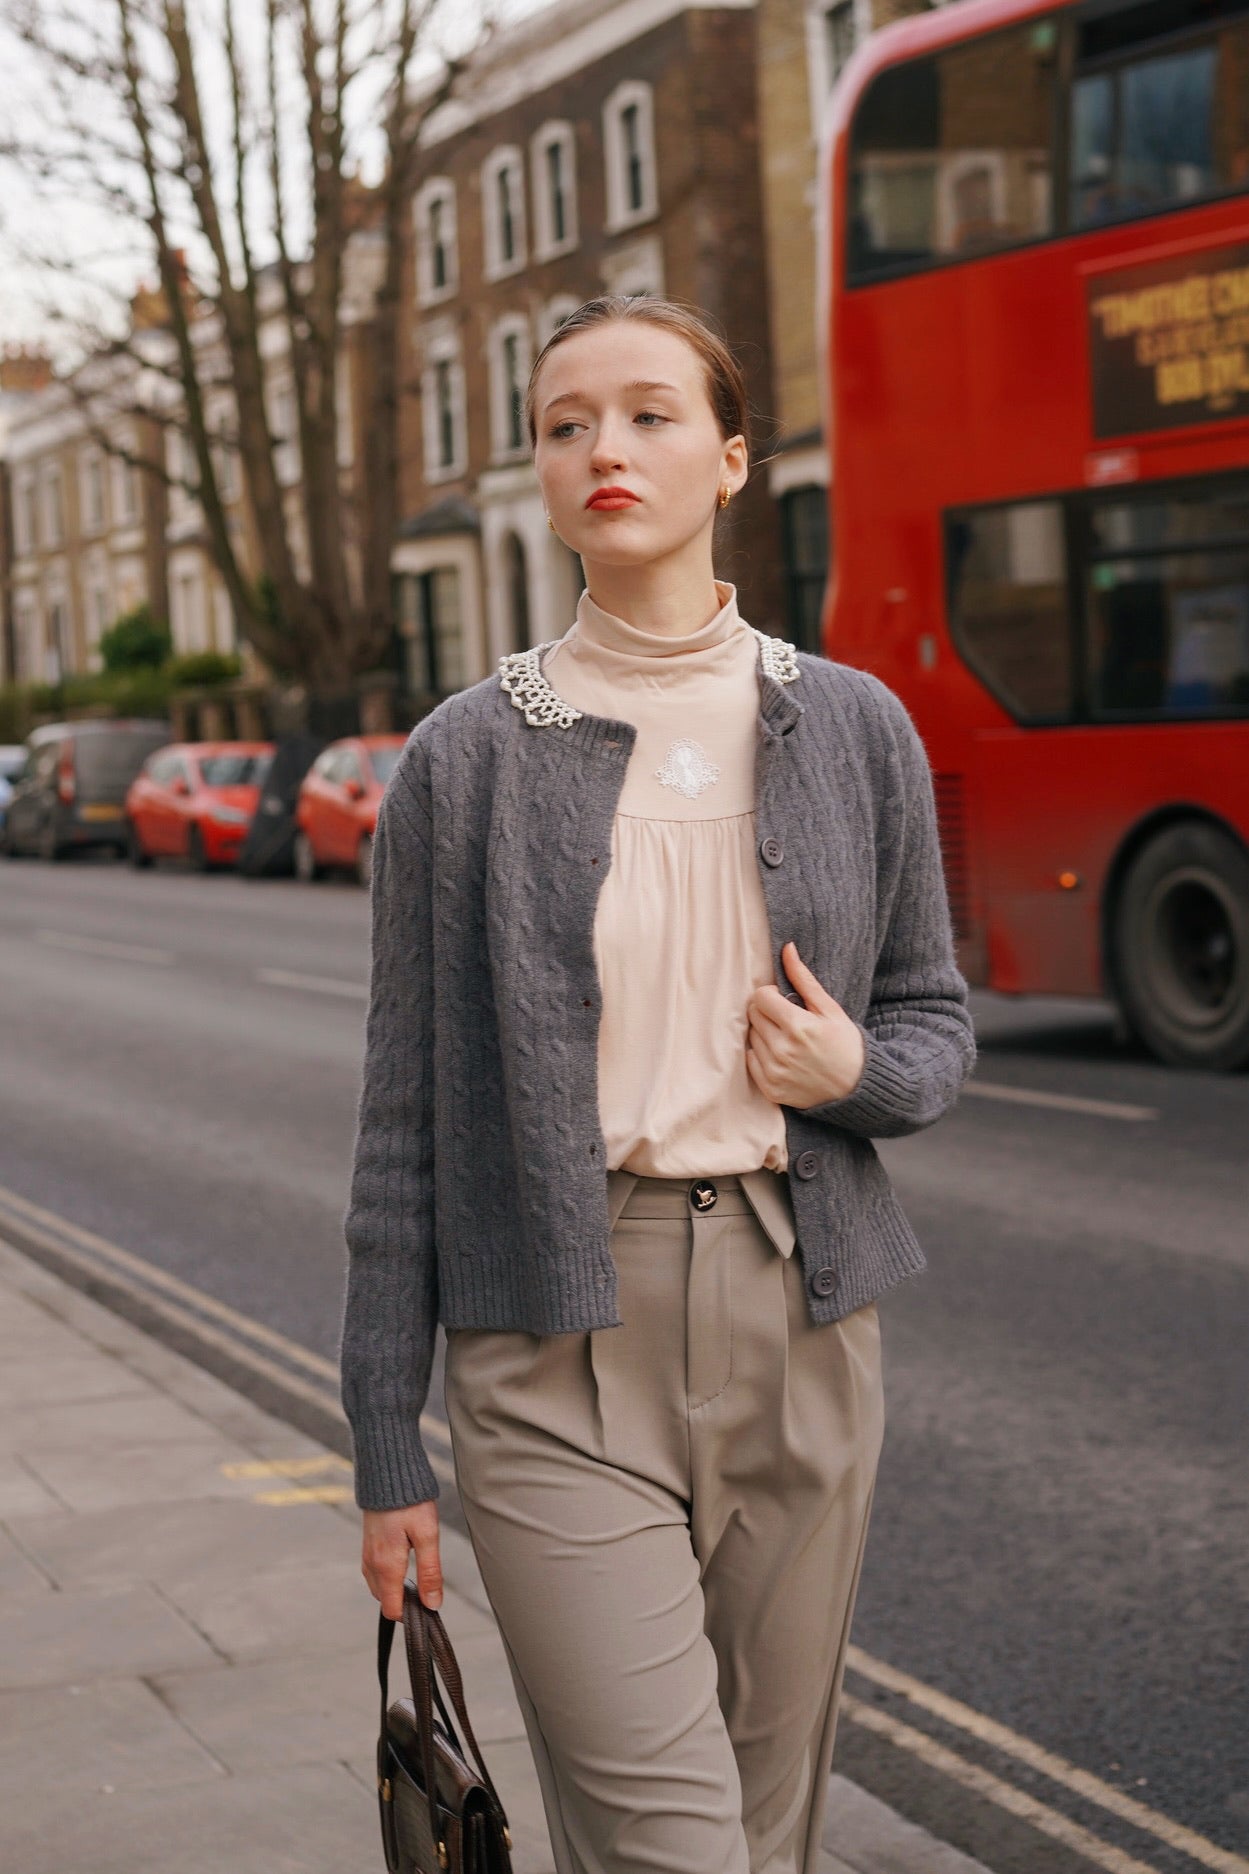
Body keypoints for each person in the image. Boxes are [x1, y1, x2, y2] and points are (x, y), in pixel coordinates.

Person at [341, 294, 975, 1874]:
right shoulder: (462, 759)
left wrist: (855, 1074)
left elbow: (930, 1025)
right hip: (554, 1338)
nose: (601, 448)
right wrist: (383, 1436)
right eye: (564, 424)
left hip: (800, 1311)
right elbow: (402, 1124)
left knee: (763, 1828)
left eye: (645, 413)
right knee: (673, 1846)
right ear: (542, 473)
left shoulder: (856, 727)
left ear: (733, 456)